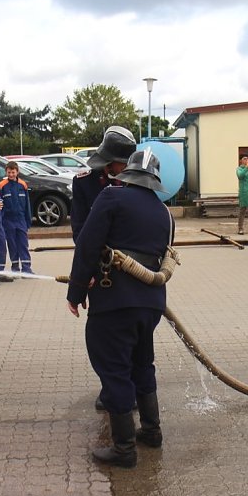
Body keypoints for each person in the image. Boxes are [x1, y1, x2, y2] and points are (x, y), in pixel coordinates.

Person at [66, 149, 173, 468]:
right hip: (151, 304)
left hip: (114, 301)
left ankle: (124, 449)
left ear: (127, 174)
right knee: (142, 363)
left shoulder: (112, 197)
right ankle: (151, 431)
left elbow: (87, 245)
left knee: (114, 369)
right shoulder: (164, 212)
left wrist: (76, 290)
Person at [70, 126, 137, 412]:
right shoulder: (84, 183)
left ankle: (129, 391)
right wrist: (86, 275)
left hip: (135, 273)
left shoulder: (140, 181)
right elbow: (81, 233)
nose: (112, 168)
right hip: (103, 274)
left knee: (133, 335)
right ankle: (112, 389)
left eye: (117, 163)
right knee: (103, 337)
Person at [70, 126, 136, 242]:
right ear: (109, 161)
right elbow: (79, 230)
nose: (127, 166)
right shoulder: (84, 183)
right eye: (123, 162)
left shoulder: (135, 182)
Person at [0, 161, 33, 276]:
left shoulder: (23, 185)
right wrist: (1, 222)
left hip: (21, 220)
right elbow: (0, 205)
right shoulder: (2, 186)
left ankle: (26, 269)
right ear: (6, 172)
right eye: (9, 172)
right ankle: (15, 268)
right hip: (8, 221)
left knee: (23, 244)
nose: (11, 175)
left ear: (17, 172)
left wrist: (28, 220)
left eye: (13, 172)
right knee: (12, 245)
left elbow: (27, 204)